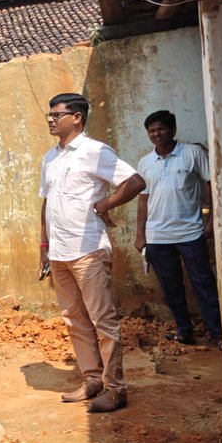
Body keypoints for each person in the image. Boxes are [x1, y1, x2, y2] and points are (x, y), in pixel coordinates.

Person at [38, 93, 145, 414]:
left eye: (57, 114)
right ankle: (93, 379)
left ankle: (116, 389)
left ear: (77, 118)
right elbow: (46, 202)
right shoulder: (49, 158)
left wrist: (105, 204)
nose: (50, 119)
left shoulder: (95, 152)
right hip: (59, 252)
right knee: (74, 320)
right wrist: (43, 247)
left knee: (102, 321)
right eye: (49, 113)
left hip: (88, 250)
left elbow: (135, 181)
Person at [134, 110, 222, 350]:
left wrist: (211, 220)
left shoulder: (192, 153)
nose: (156, 134)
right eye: (152, 131)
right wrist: (140, 234)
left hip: (190, 232)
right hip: (157, 237)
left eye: (161, 129)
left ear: (172, 130)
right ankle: (185, 331)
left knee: (203, 284)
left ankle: (218, 334)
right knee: (171, 287)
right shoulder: (145, 162)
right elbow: (143, 200)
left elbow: (209, 187)